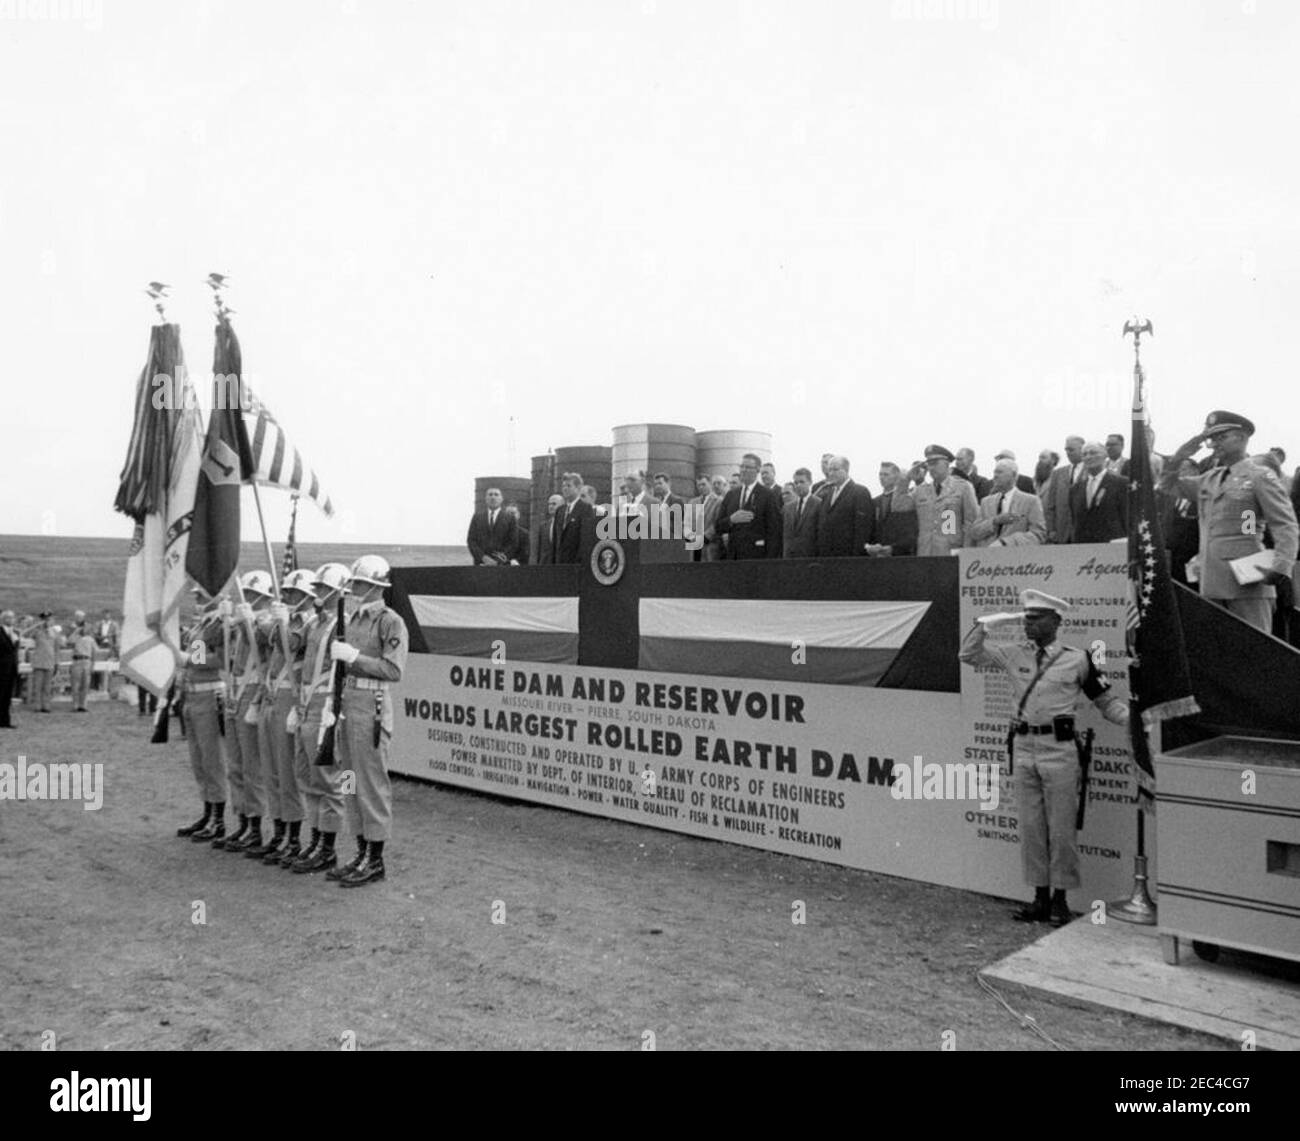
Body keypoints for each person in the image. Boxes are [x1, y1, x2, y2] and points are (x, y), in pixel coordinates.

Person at [958, 590, 1129, 927]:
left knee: (1062, 829)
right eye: (1026, 619)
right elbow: (968, 654)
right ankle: (1038, 898)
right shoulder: (1013, 654)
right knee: (1032, 827)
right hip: (1023, 748)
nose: (1029, 625)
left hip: (1059, 749)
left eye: (1036, 620)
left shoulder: (1077, 659)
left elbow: (1107, 703)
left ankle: (1060, 901)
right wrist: (984, 624)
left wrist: (1135, 722)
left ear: (1056, 622)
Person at [1161, 411, 1298, 634]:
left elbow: (1284, 524)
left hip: (1249, 578)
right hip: (1211, 579)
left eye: (1221, 437)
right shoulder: (1210, 478)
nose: (1214, 444)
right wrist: (1182, 454)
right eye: (1211, 438)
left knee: (1254, 649)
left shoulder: (1260, 476)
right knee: (1221, 654)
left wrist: (1281, 567)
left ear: (1242, 438)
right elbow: (1167, 485)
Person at [326, 554, 409, 887]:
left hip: (370, 707)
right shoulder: (353, 619)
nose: (355, 589)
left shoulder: (390, 621)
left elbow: (393, 669)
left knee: (371, 783)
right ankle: (360, 850)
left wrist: (355, 658)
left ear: (376, 586)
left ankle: (375, 858)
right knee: (349, 779)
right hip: (347, 703)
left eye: (360, 584)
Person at [287, 562, 352, 875]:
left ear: (339, 592)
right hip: (304, 705)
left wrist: (335, 712)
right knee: (306, 777)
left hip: (325, 707)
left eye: (325, 590)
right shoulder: (313, 623)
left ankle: (327, 847)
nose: (318, 595)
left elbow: (343, 673)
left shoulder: (343, 625)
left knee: (327, 780)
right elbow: (289, 647)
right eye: (318, 590)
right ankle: (313, 840)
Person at [256, 569, 317, 865]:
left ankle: (291, 836)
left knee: (286, 770)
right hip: (263, 697)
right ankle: (269, 829)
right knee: (267, 771)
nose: (287, 597)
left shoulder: (306, 623)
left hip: (286, 698)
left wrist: (191, 659)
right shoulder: (206, 627)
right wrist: (247, 622)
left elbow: (288, 645)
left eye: (292, 593)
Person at [219, 571, 275, 854]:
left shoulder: (266, 620)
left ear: (264, 597)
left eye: (252, 595)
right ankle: (241, 818)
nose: (248, 600)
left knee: (252, 765)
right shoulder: (240, 618)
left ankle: (254, 825)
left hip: (252, 691)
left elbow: (264, 643)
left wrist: (245, 621)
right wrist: (227, 618)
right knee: (235, 764)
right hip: (233, 693)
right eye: (246, 595)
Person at [176, 587, 229, 843]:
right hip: (193, 693)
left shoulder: (219, 624)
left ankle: (218, 818)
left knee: (212, 759)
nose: (197, 599)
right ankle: (207, 812)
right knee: (199, 760)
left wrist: (189, 658)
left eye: (202, 596)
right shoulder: (202, 625)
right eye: (196, 595)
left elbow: (221, 659)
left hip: (210, 694)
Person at [893, 445, 979, 557]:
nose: (931, 468)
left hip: (952, 553)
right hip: (926, 552)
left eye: (935, 463)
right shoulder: (921, 490)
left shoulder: (963, 487)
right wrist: (906, 479)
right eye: (929, 464)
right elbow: (898, 506)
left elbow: (971, 522)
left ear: (947, 464)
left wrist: (967, 553)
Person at [966, 460, 1046, 548]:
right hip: (986, 557)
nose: (995, 476)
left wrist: (1006, 542)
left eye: (1000, 472)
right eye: (994, 472)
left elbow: (1039, 534)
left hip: (1015, 558)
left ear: (1014, 475)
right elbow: (974, 532)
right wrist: (995, 521)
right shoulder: (986, 502)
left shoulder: (1030, 501)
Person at [715, 453, 781, 559]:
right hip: (734, 556)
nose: (743, 470)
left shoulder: (767, 495)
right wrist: (731, 520)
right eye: (742, 467)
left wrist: (770, 561)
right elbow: (718, 526)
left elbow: (774, 531)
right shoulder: (731, 495)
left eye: (748, 467)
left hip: (757, 557)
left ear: (757, 470)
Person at [815, 455, 874, 557]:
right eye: (829, 470)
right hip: (827, 556)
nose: (831, 473)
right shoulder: (827, 494)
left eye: (835, 469)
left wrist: (857, 555)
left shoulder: (859, 492)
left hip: (847, 556)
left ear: (846, 470)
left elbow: (862, 529)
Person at [1069, 441, 1128, 542]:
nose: (1088, 457)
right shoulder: (1075, 489)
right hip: (1084, 548)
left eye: (1093, 453)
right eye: (1085, 454)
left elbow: (1126, 517)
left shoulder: (1121, 483)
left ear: (1105, 455)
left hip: (1112, 546)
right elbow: (1075, 521)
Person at [867, 462, 917, 557]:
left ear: (896, 477)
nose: (882, 477)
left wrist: (895, 548)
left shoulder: (906, 499)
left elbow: (909, 528)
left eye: (886, 474)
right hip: (879, 553)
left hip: (900, 553)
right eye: (880, 474)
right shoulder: (875, 502)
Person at [1042, 436, 1085, 544]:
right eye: (1066, 450)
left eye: (1071, 449)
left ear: (1082, 449)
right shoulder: (1058, 473)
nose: (1068, 453)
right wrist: (1051, 529)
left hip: (1084, 532)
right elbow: (1051, 505)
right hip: (1061, 533)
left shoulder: (1091, 471)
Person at [467, 488, 519, 566]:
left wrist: (498, 560)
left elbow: (513, 543)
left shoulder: (510, 518)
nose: (493, 497)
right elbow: (471, 540)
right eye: (490, 494)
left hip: (502, 565)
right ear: (486, 499)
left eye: (496, 494)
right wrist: (483, 558)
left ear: (501, 499)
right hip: (481, 564)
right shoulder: (477, 517)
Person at [555, 471, 595, 565]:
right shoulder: (560, 511)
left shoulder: (585, 508)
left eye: (568, 486)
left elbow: (586, 538)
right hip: (559, 564)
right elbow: (556, 540)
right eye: (563, 486)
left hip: (575, 564)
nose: (565, 489)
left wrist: (580, 561)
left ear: (578, 488)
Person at [783, 467, 823, 558]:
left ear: (810, 482)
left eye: (802, 482)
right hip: (790, 558)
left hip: (810, 557)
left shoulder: (819, 504)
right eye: (796, 483)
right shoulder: (788, 507)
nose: (798, 485)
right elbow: (786, 535)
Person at [28, 612, 59, 713]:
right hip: (39, 661)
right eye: (44, 619)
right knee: (38, 685)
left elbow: (57, 648)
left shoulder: (54, 632)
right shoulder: (37, 631)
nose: (46, 621)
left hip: (50, 661)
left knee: (47, 686)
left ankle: (46, 705)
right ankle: (37, 705)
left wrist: (57, 662)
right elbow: (27, 634)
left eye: (48, 619)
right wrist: (37, 625)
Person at [67, 616, 97, 712]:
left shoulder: (90, 639)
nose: (84, 628)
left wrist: (93, 665)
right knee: (75, 684)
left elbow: (95, 652)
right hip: (77, 661)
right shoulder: (75, 637)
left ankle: (83, 705)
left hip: (87, 661)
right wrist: (76, 631)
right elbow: (69, 641)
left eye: (85, 626)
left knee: (85, 684)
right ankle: (75, 705)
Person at [700, 475, 727, 561]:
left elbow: (717, 522)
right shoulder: (709, 500)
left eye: (719, 483)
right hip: (703, 542)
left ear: (725, 485)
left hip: (713, 542)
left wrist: (706, 536)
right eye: (714, 483)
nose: (716, 486)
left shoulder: (721, 501)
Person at [534, 493, 564, 566]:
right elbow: (540, 550)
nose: (550, 506)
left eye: (554, 504)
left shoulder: (566, 524)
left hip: (561, 565)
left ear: (562, 506)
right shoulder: (543, 526)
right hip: (545, 565)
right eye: (549, 504)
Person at [0, 610, 19, 728]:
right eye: (10, 618)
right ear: (4, 619)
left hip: (11, 668)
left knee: (7, 696)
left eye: (13, 617)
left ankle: (5, 721)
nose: (12, 620)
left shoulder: (14, 633)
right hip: (1, 668)